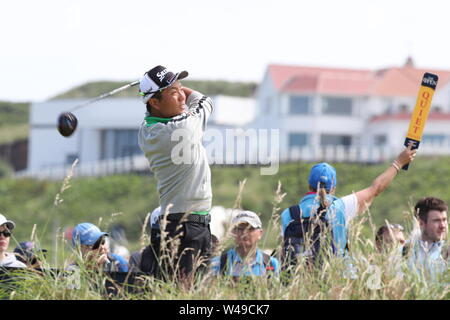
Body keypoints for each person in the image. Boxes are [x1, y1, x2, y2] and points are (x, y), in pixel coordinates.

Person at [280, 147, 416, 270]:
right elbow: (376, 189)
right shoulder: (339, 207)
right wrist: (398, 163)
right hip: (334, 281)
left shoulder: (289, 214)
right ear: (333, 188)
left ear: (309, 185)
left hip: (298, 282)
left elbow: (285, 253)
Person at [137, 65, 214, 282]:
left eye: (181, 89)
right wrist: (165, 85)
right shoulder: (182, 128)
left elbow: (172, 103)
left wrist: (167, 86)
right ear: (154, 102)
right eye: (173, 93)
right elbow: (205, 100)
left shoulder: (146, 128)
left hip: (184, 224)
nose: (181, 96)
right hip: (185, 228)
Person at [210, 210, 280, 278]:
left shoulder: (271, 264)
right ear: (233, 232)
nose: (244, 233)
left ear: (260, 233)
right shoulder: (218, 263)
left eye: (250, 228)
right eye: (240, 229)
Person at [403, 197, 448, 278]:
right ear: (421, 223)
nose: (443, 226)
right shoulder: (404, 252)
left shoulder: (447, 251)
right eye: (436, 221)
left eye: (444, 220)